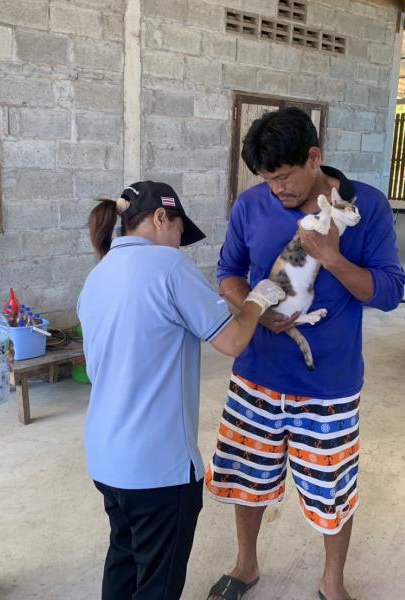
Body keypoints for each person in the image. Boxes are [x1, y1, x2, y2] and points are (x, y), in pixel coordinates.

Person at [204, 108, 405, 600]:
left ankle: (332, 582)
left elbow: (388, 292)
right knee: (247, 477)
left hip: (329, 385)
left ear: (314, 157)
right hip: (255, 374)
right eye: (267, 179)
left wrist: (331, 255)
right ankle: (246, 565)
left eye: (285, 176)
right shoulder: (251, 206)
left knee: (332, 489)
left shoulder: (365, 206)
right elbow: (228, 272)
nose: (277, 189)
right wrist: (253, 310)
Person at [77, 180, 285, 600]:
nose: (178, 243)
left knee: (124, 557)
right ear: (160, 218)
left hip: (106, 459)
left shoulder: (97, 275)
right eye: (178, 231)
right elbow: (233, 341)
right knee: (158, 583)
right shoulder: (169, 266)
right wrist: (257, 301)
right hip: (157, 470)